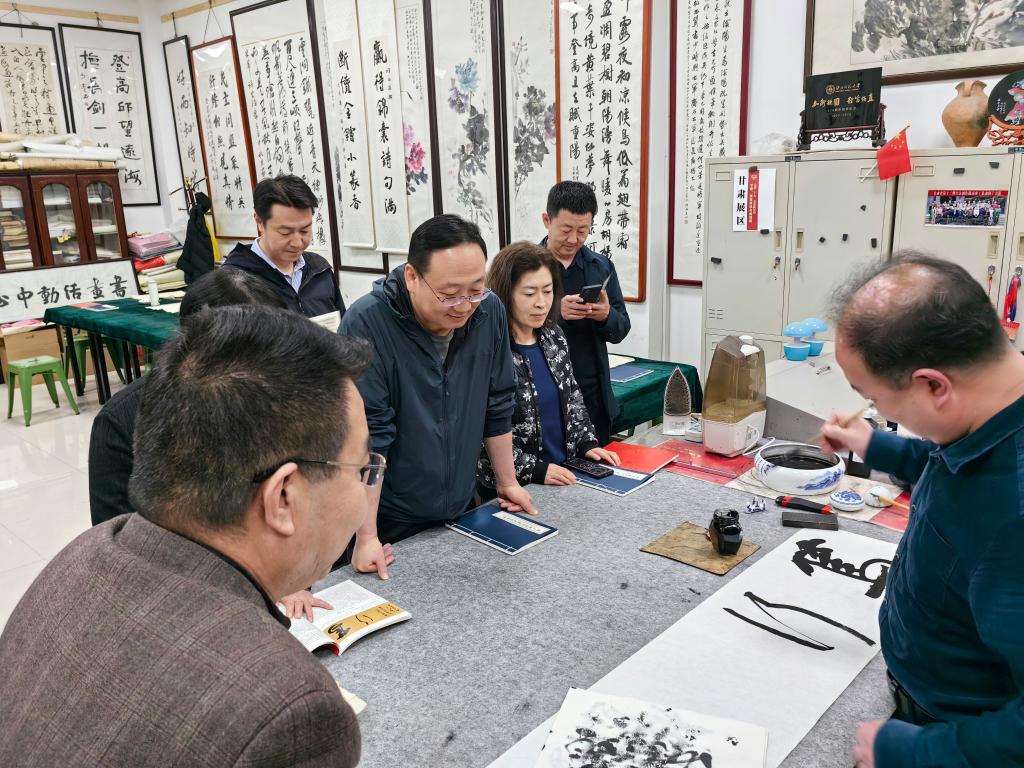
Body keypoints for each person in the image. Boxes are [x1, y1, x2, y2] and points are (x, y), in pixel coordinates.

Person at [0, 306, 373, 767]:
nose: (364, 491)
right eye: (361, 468)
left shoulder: (81, 555)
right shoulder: (293, 712)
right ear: (282, 497)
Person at [820, 253, 1024, 768]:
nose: (877, 411)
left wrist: (915, 751)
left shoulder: (1013, 516)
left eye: (873, 399)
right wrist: (877, 445)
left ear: (934, 385)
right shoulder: (994, 404)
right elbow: (947, 467)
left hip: (960, 733)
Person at [87, 269, 329, 620]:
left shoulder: (280, 402)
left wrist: (294, 576)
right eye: (247, 355)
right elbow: (119, 542)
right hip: (177, 600)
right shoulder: (121, 421)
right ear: (192, 348)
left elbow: (305, 495)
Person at [339, 214, 535, 579]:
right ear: (412, 277)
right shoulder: (366, 323)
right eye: (450, 294)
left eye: (475, 289)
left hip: (463, 505)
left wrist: (507, 482)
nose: (464, 305)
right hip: (391, 518)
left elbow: (497, 402)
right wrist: (366, 536)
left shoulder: (489, 310)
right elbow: (368, 438)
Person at [478, 242, 619, 495]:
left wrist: (587, 443)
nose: (541, 303)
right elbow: (480, 435)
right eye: (530, 294)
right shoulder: (489, 351)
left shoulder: (553, 336)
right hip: (517, 488)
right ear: (504, 294)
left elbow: (572, 396)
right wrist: (536, 470)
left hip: (565, 474)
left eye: (548, 291)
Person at [541, 180, 630, 445]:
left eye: (583, 231)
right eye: (566, 230)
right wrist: (555, 312)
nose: (573, 240)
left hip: (592, 393)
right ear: (547, 220)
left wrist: (605, 316)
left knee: (595, 463)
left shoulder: (600, 266)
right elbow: (508, 325)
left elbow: (621, 328)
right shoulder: (526, 266)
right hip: (543, 393)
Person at [223, 174, 346, 320]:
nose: (297, 243)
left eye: (304, 230)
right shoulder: (233, 284)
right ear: (259, 222)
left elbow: (342, 328)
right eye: (285, 232)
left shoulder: (320, 270)